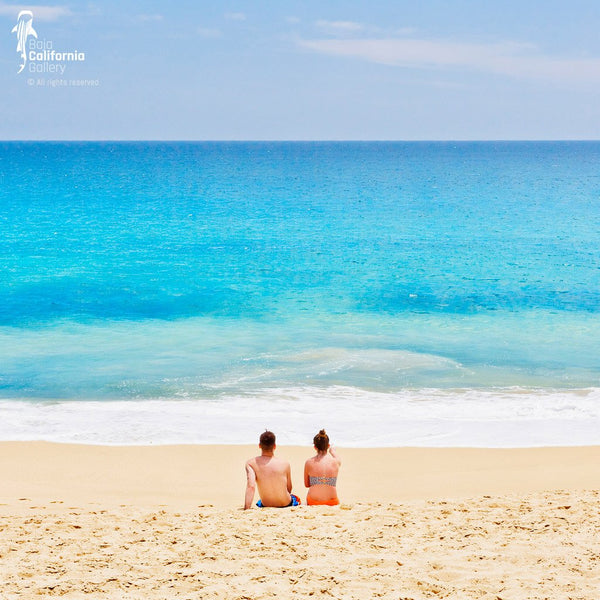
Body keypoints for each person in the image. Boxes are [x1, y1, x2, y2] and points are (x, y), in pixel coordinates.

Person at [244, 430, 301, 509]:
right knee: (296, 498)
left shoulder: (251, 463)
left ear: (259, 445)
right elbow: (289, 488)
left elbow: (251, 486)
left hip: (266, 504)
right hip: (285, 503)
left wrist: (246, 509)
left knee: (259, 501)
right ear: (274, 446)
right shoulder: (285, 464)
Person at [304, 429, 341, 506]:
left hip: (313, 501)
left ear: (315, 447)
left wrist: (317, 480)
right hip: (332, 502)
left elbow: (307, 484)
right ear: (328, 446)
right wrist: (333, 451)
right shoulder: (336, 462)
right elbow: (338, 458)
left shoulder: (309, 462)